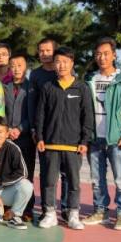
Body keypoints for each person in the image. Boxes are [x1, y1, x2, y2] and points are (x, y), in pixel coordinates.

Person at [83, 38, 121, 230]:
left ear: (114, 55)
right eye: (98, 54)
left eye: (106, 53)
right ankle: (100, 210)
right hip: (94, 138)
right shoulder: (90, 79)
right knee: (96, 179)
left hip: (116, 139)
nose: (102, 57)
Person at [36, 47, 93, 230]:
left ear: (72, 63)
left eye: (65, 62)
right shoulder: (48, 87)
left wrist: (84, 141)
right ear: (54, 64)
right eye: (58, 62)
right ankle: (50, 214)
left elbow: (87, 116)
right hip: (51, 144)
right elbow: (41, 115)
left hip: (73, 145)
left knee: (74, 182)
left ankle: (73, 214)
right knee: (49, 181)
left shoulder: (82, 87)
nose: (61, 65)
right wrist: (40, 137)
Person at [28, 38, 68, 220]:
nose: (44, 54)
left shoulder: (66, 72)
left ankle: (66, 208)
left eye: (48, 50)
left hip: (66, 131)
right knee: (46, 173)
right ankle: (47, 209)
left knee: (67, 173)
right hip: (45, 132)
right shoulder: (35, 75)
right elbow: (32, 104)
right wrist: (34, 130)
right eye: (41, 51)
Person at [4, 52, 36, 221]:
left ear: (26, 67)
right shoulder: (5, 87)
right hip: (7, 137)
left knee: (26, 173)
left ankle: (27, 209)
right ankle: (8, 207)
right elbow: (0, 110)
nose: (16, 69)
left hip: (25, 138)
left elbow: (33, 114)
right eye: (13, 66)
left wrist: (20, 129)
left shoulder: (32, 88)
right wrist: (7, 129)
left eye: (19, 65)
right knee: (8, 172)